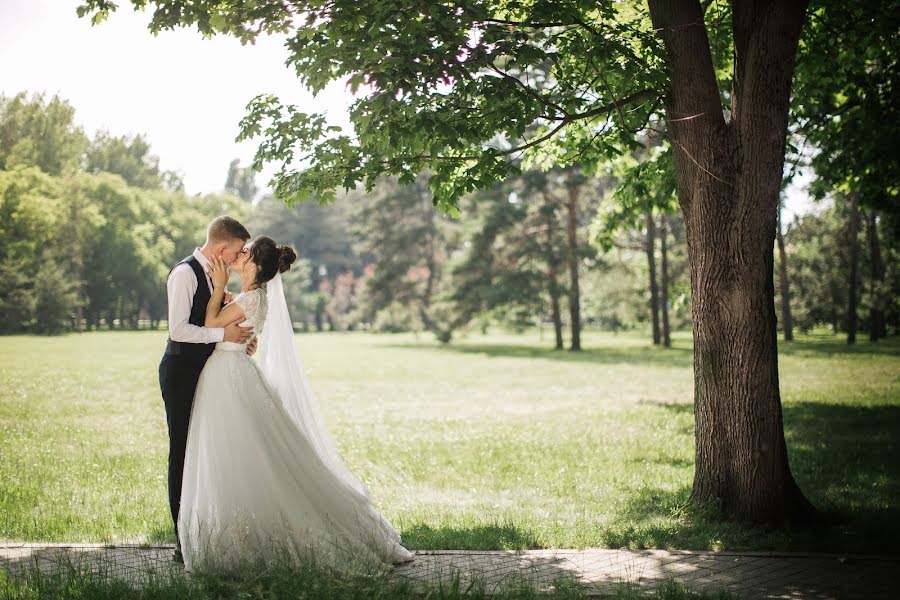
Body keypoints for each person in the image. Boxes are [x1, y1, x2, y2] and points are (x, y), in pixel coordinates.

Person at [178, 236, 414, 572]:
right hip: (230, 371)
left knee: (241, 450)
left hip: (228, 375)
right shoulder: (251, 297)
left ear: (255, 265)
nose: (238, 256)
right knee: (241, 451)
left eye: (244, 253)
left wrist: (218, 288)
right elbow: (232, 325)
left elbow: (212, 323)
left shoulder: (251, 296)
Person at [158, 215, 255, 563]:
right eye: (236, 253)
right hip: (181, 372)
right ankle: (183, 541)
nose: (237, 259)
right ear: (220, 248)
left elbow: (217, 317)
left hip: (208, 371)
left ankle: (206, 532)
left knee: (205, 451)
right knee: (182, 451)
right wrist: (222, 335)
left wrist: (238, 340)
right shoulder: (184, 274)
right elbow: (178, 330)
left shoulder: (217, 277)